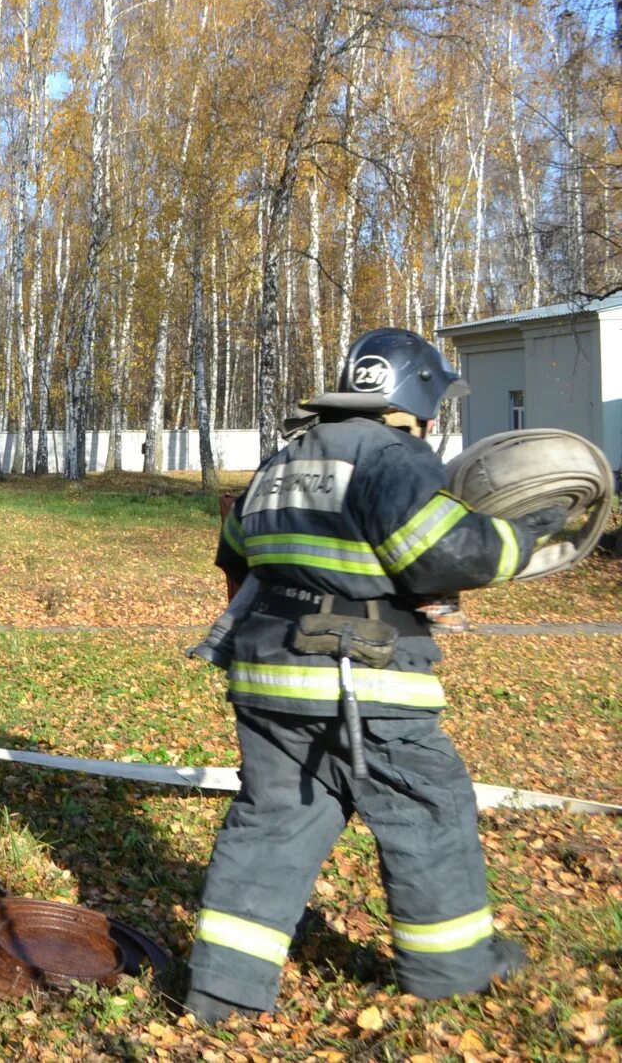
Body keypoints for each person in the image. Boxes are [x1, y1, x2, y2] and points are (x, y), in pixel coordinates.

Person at [185, 328, 563, 1024]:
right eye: (433, 406)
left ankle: (222, 992)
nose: (432, 422)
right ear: (414, 396)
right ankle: (452, 971)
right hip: (364, 681)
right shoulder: (393, 455)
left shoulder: (285, 457)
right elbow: (443, 553)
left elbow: (235, 551)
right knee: (428, 809)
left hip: (267, 679)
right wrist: (526, 534)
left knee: (273, 824)